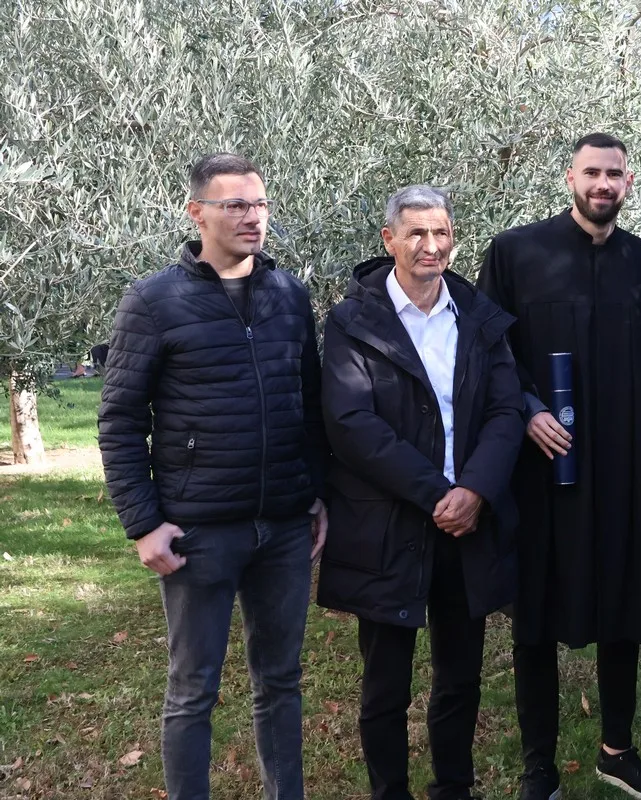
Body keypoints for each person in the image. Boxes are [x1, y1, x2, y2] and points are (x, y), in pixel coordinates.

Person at [97, 153, 327, 800]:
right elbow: (119, 420)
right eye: (236, 206)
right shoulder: (154, 301)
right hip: (199, 532)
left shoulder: (289, 295)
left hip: (283, 527)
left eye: (261, 204)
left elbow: (310, 405)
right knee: (193, 689)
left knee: (280, 682)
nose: (254, 217)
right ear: (197, 213)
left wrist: (316, 492)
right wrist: (143, 524)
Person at [476, 133, 641, 800]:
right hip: (543, 467)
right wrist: (526, 407)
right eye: (591, 172)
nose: (602, 184)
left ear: (628, 181)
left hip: (621, 466)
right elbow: (490, 349)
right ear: (570, 177)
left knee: (622, 605)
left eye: (614, 174)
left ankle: (617, 750)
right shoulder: (515, 251)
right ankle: (539, 766)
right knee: (535, 618)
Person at [316, 186, 524, 800]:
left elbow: (507, 409)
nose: (431, 246)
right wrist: (439, 494)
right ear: (389, 240)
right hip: (390, 524)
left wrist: (475, 490)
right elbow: (352, 424)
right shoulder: (353, 321)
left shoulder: (478, 316)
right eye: (416, 233)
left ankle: (454, 788)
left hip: (468, 522)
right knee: (386, 684)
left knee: (460, 676)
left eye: (441, 233)